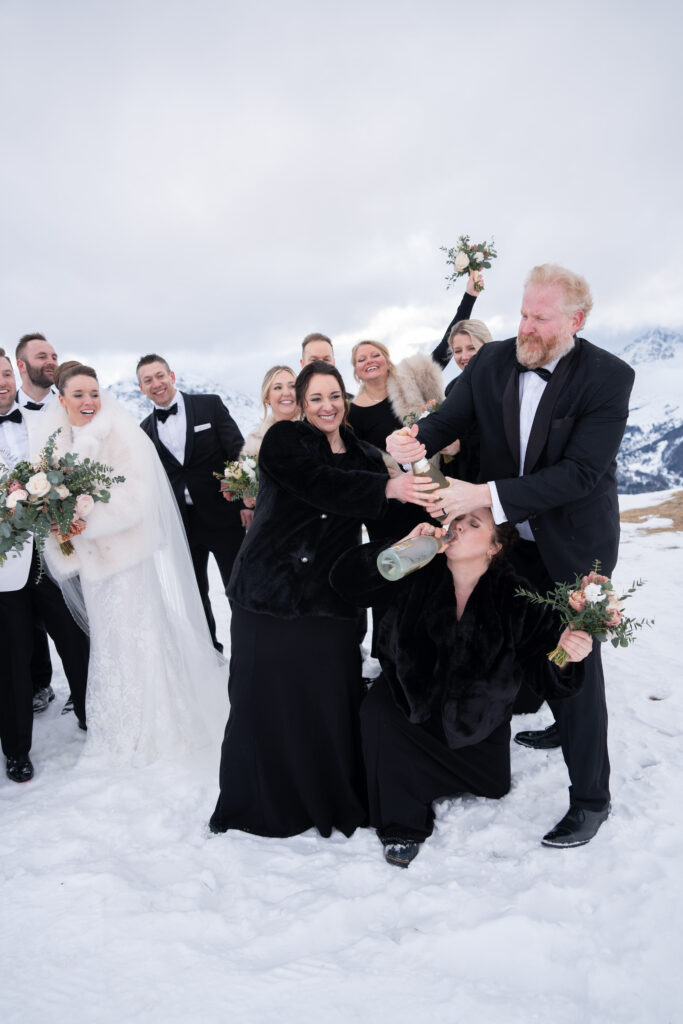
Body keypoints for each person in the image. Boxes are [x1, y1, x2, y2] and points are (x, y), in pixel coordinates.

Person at [386, 263, 636, 848]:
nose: (525, 327)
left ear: (576, 320)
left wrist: (484, 497)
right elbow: (448, 419)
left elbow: (579, 474)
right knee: (524, 645)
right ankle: (550, 723)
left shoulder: (609, 377)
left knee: (576, 665)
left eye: (540, 318)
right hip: (508, 544)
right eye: (523, 313)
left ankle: (591, 800)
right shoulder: (494, 360)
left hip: (574, 546)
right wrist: (414, 439)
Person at [209, 361, 434, 839]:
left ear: (345, 400)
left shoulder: (366, 455)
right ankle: (258, 804)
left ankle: (331, 799)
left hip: (329, 599)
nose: (326, 406)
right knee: (259, 701)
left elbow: (383, 522)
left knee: (327, 703)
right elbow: (320, 484)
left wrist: (420, 530)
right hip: (266, 594)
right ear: (302, 404)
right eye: (315, 398)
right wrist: (388, 486)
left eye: (334, 396)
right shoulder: (284, 440)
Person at [331, 512, 592, 867]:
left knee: (493, 785)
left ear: (494, 547)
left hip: (475, 730)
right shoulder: (417, 568)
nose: (458, 527)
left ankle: (425, 770)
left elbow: (545, 674)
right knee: (378, 713)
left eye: (474, 524)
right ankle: (401, 825)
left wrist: (566, 654)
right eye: (456, 520)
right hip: (411, 708)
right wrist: (400, 546)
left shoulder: (516, 597)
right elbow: (346, 583)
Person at [34, 362, 228, 766]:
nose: (88, 401)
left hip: (127, 558)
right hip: (92, 566)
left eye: (94, 393)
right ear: (62, 398)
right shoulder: (53, 442)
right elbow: (46, 501)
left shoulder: (119, 432)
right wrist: (58, 524)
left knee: (140, 636)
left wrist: (86, 520)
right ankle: (117, 728)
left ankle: (160, 725)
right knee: (109, 642)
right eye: (79, 394)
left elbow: (137, 496)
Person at [0, 349, 89, 783]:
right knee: (12, 659)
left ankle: (92, 716)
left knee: (77, 638)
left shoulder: (43, 420)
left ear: (14, 375)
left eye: (4, 374)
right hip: (5, 565)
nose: (1, 383)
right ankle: (16, 750)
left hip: (54, 552)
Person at [138, 354, 246, 652]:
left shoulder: (209, 405)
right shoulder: (144, 431)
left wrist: (244, 501)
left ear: (171, 376)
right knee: (195, 596)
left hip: (225, 517)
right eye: (148, 380)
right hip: (182, 525)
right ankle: (210, 654)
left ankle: (248, 652)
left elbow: (237, 451)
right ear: (141, 388)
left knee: (238, 589)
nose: (156, 384)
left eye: (160, 376)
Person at [15, 332, 60, 713]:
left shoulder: (71, 403)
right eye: (41, 356)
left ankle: (85, 686)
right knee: (26, 617)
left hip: (68, 530)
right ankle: (39, 683)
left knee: (73, 615)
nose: (50, 361)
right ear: (21, 365)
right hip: (18, 536)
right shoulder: (7, 410)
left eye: (53, 355)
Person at [441, 318, 493, 485]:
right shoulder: (452, 388)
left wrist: (462, 445)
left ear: (487, 345)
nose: (464, 356)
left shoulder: (504, 382)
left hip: (493, 479)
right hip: (461, 477)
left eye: (471, 348)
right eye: (457, 351)